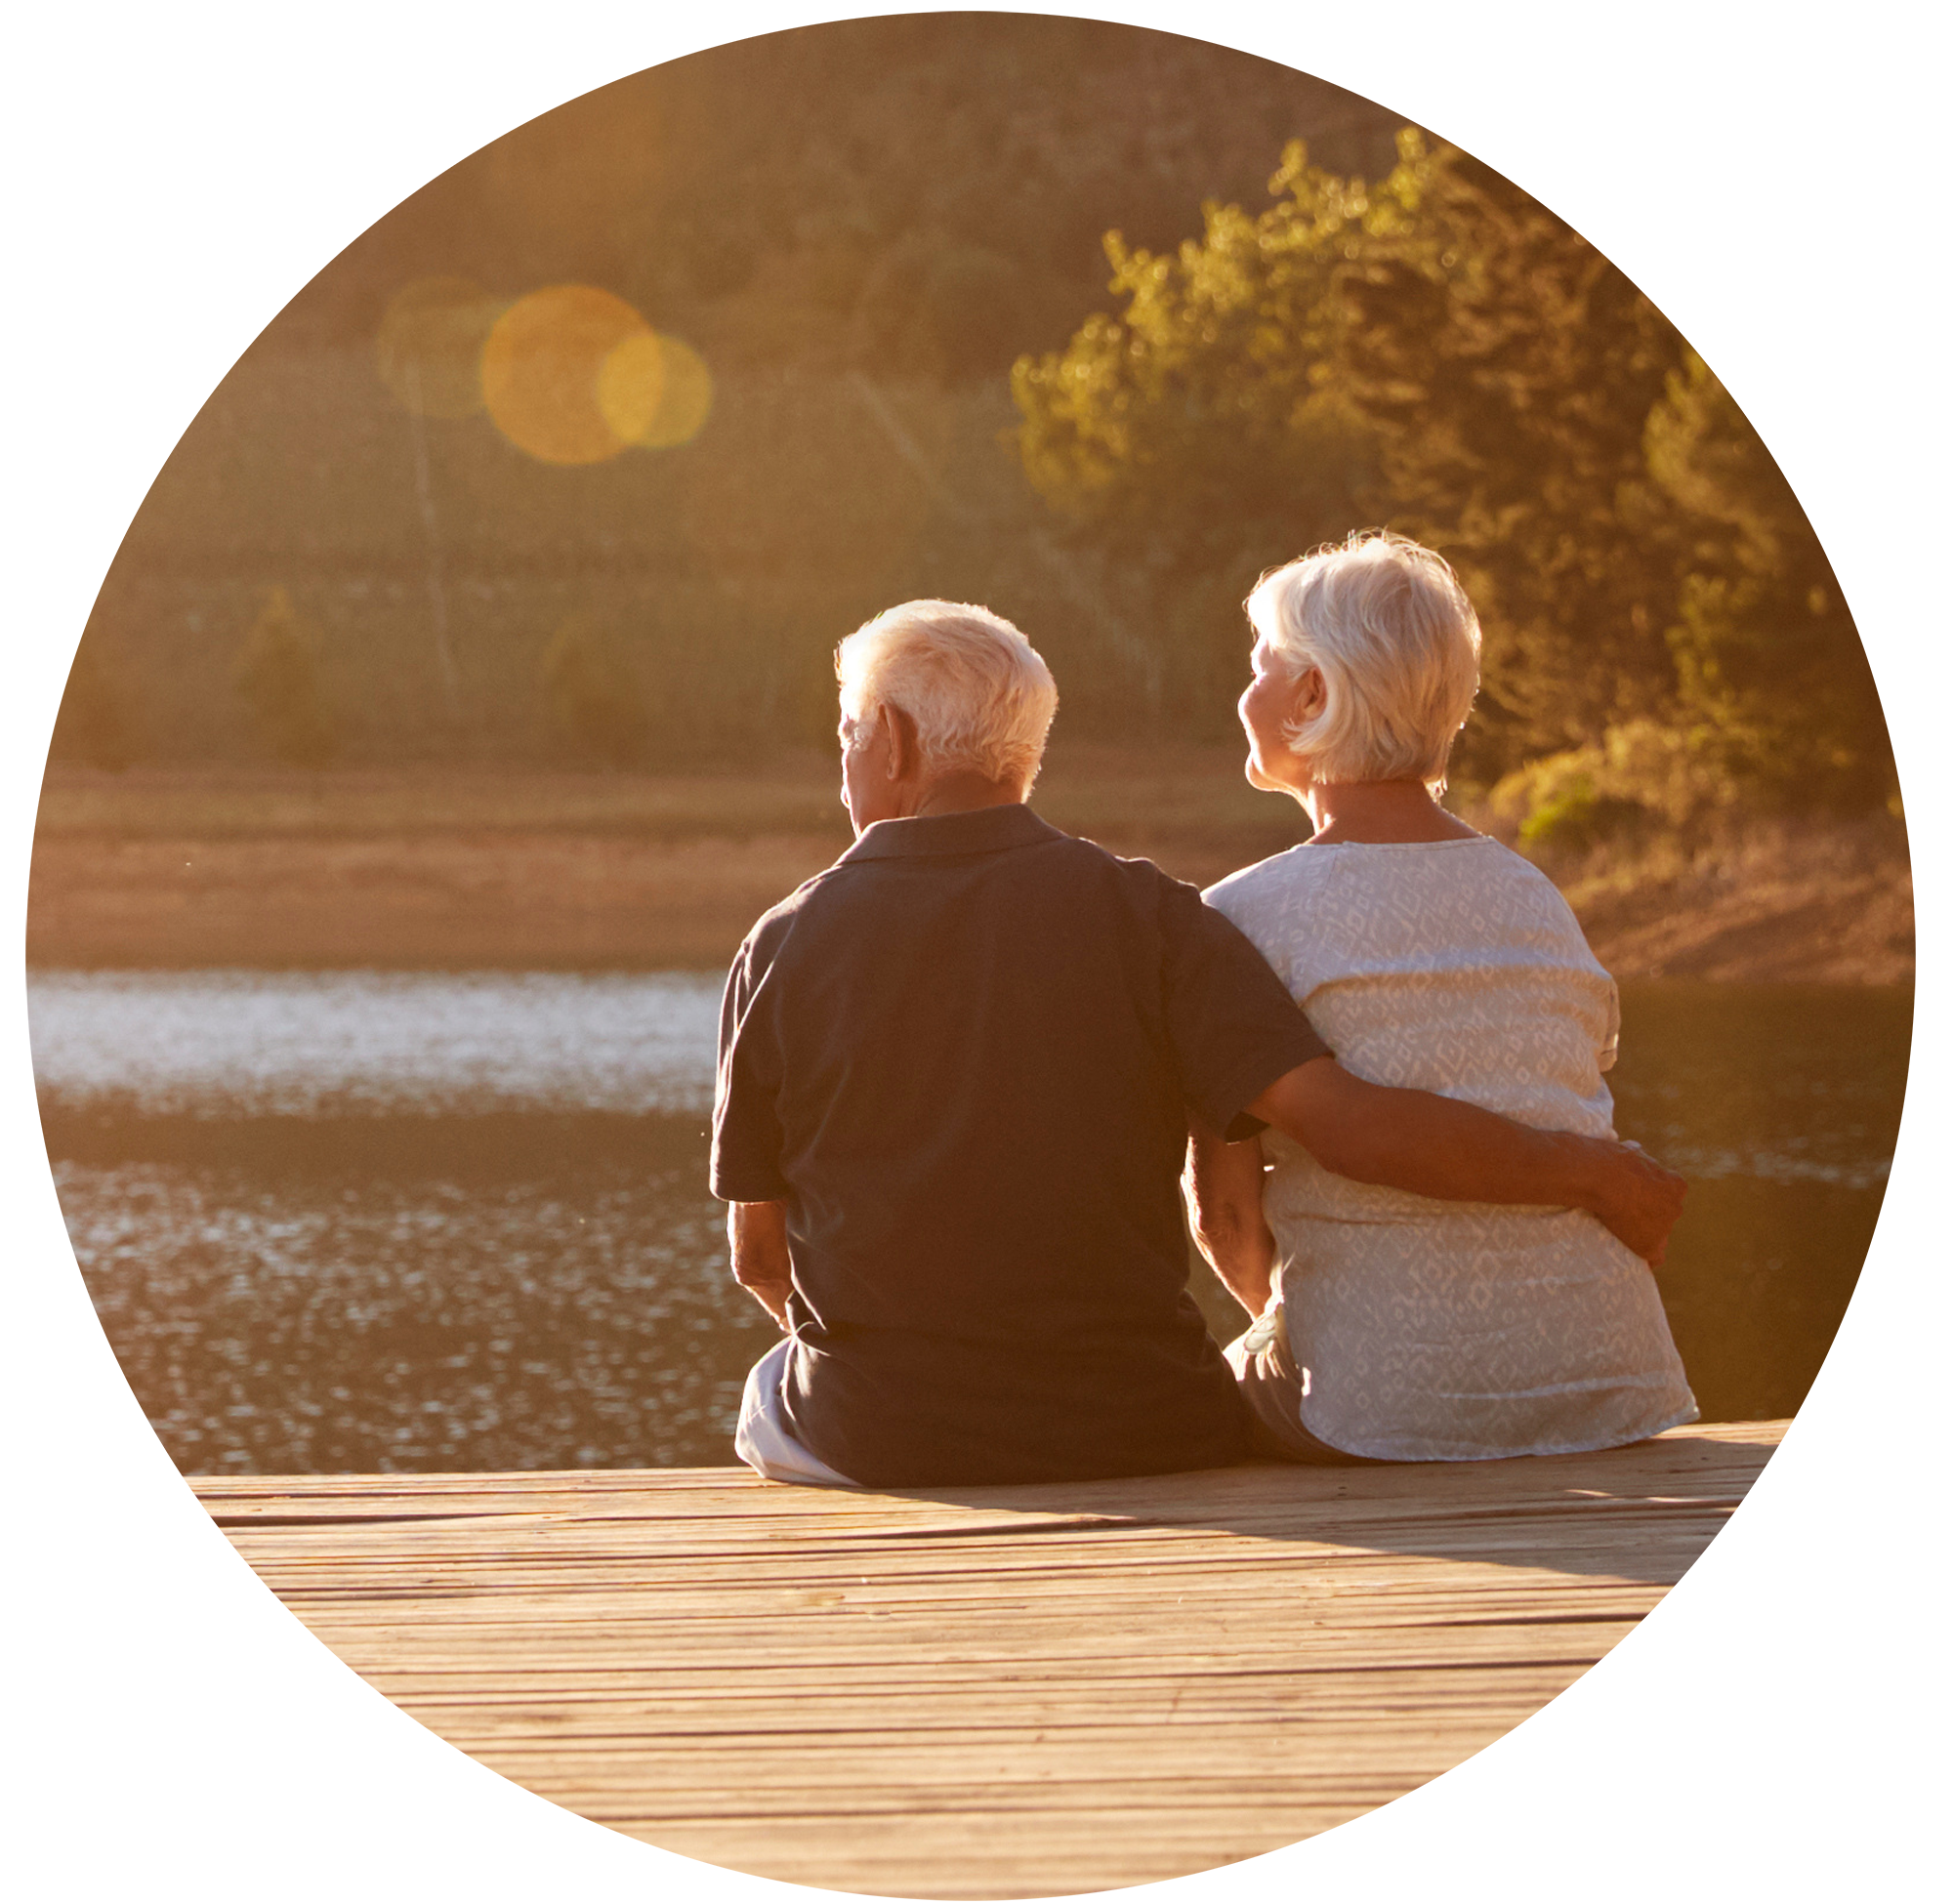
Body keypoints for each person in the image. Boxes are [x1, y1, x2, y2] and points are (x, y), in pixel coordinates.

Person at [712, 598, 1686, 1490]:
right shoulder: (1157, 918)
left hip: (881, 1434)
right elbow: (1322, 1130)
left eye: (846, 733)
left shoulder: (781, 943)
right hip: (1140, 1423)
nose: (844, 761)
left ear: (887, 741)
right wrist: (1587, 1171)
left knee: (768, 1392)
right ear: (1025, 752)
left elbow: (759, 1259)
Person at [1191, 531, 1697, 1464]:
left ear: (1312, 695)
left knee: (1207, 1398)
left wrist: (1303, 1332)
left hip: (1382, 1410)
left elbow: (1224, 1222)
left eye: (1262, 668)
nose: (1246, 694)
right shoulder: (1533, 895)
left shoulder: (1237, 918)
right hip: (1610, 1386)